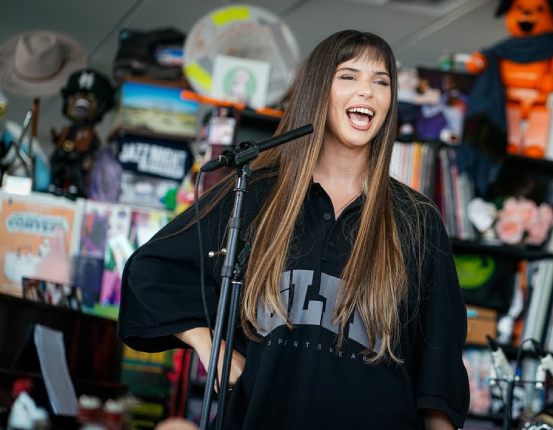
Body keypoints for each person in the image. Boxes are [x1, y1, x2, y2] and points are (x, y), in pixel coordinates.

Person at [118, 30, 469, 430]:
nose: (368, 92)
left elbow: (438, 373)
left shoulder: (417, 219)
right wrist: (206, 343)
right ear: (319, 90)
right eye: (349, 76)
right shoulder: (255, 195)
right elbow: (149, 272)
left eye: (381, 81)